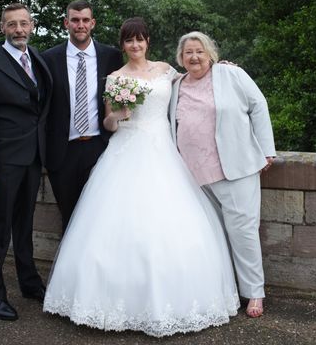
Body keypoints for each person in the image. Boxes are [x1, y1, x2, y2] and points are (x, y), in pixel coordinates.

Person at [43, 18, 239, 337]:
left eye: (140, 40)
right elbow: (108, 122)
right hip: (125, 150)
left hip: (163, 151)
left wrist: (220, 67)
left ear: (148, 41)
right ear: (123, 45)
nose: (135, 46)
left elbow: (195, 77)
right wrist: (118, 115)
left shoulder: (165, 70)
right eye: (129, 41)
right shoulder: (116, 78)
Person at [168, 31, 276, 319]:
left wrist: (267, 150)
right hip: (193, 175)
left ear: (210, 53)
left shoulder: (231, 74)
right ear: (180, 58)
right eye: (188, 52)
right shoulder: (176, 85)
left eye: (199, 51)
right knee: (211, 237)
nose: (194, 57)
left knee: (242, 231)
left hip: (234, 168)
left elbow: (258, 106)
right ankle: (224, 291)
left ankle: (254, 292)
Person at [0, 3, 53, 321]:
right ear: (2, 27)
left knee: (24, 226)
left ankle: (29, 283)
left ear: (32, 26)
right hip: (3, 161)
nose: (19, 29)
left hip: (33, 158)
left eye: (24, 23)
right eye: (12, 24)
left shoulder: (38, 58)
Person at [42, 0, 123, 230]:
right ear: (66, 23)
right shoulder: (49, 58)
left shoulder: (111, 57)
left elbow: (137, 73)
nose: (80, 25)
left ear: (93, 23)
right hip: (62, 151)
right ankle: (70, 267)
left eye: (85, 20)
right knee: (69, 218)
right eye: (75, 20)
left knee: (98, 217)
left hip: (99, 147)